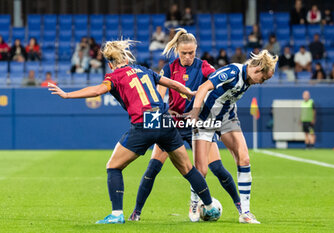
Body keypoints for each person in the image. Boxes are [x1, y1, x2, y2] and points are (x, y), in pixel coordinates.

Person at [47, 39, 220, 224]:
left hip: (145, 123)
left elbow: (98, 91)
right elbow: (173, 84)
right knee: (188, 169)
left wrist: (67, 94)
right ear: (127, 59)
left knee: (113, 166)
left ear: (110, 64)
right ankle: (210, 208)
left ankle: (116, 214)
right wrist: (191, 93)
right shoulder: (143, 69)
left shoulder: (114, 76)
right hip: (164, 121)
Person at [129, 28, 243, 223]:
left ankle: (242, 209)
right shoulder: (169, 69)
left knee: (216, 168)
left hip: (198, 123)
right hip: (173, 125)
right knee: (153, 167)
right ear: (177, 51)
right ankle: (136, 213)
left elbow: (218, 86)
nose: (188, 56)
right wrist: (165, 110)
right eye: (184, 53)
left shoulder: (204, 67)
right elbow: (158, 95)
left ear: (196, 50)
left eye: (191, 53)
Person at [187, 49, 278, 224]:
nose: (262, 83)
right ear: (257, 69)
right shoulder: (232, 72)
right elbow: (204, 87)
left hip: (227, 118)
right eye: (264, 79)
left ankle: (245, 213)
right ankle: (194, 203)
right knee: (202, 170)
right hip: (205, 118)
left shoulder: (249, 80)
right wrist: (195, 112)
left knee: (244, 158)